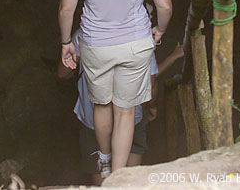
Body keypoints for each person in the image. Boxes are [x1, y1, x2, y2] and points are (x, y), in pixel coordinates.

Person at [58, 0, 173, 180]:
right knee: (125, 111)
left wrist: (66, 42)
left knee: (101, 105)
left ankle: (105, 161)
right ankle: (119, 179)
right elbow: (164, 4)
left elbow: (66, 9)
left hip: (95, 43)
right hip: (135, 42)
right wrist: (159, 29)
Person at [58, 30, 184, 185]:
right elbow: (151, 83)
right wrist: (152, 108)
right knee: (130, 180)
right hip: (131, 119)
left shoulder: (84, 32)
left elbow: (63, 74)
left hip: (92, 119)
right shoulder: (140, 35)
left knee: (102, 182)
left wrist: (74, 58)